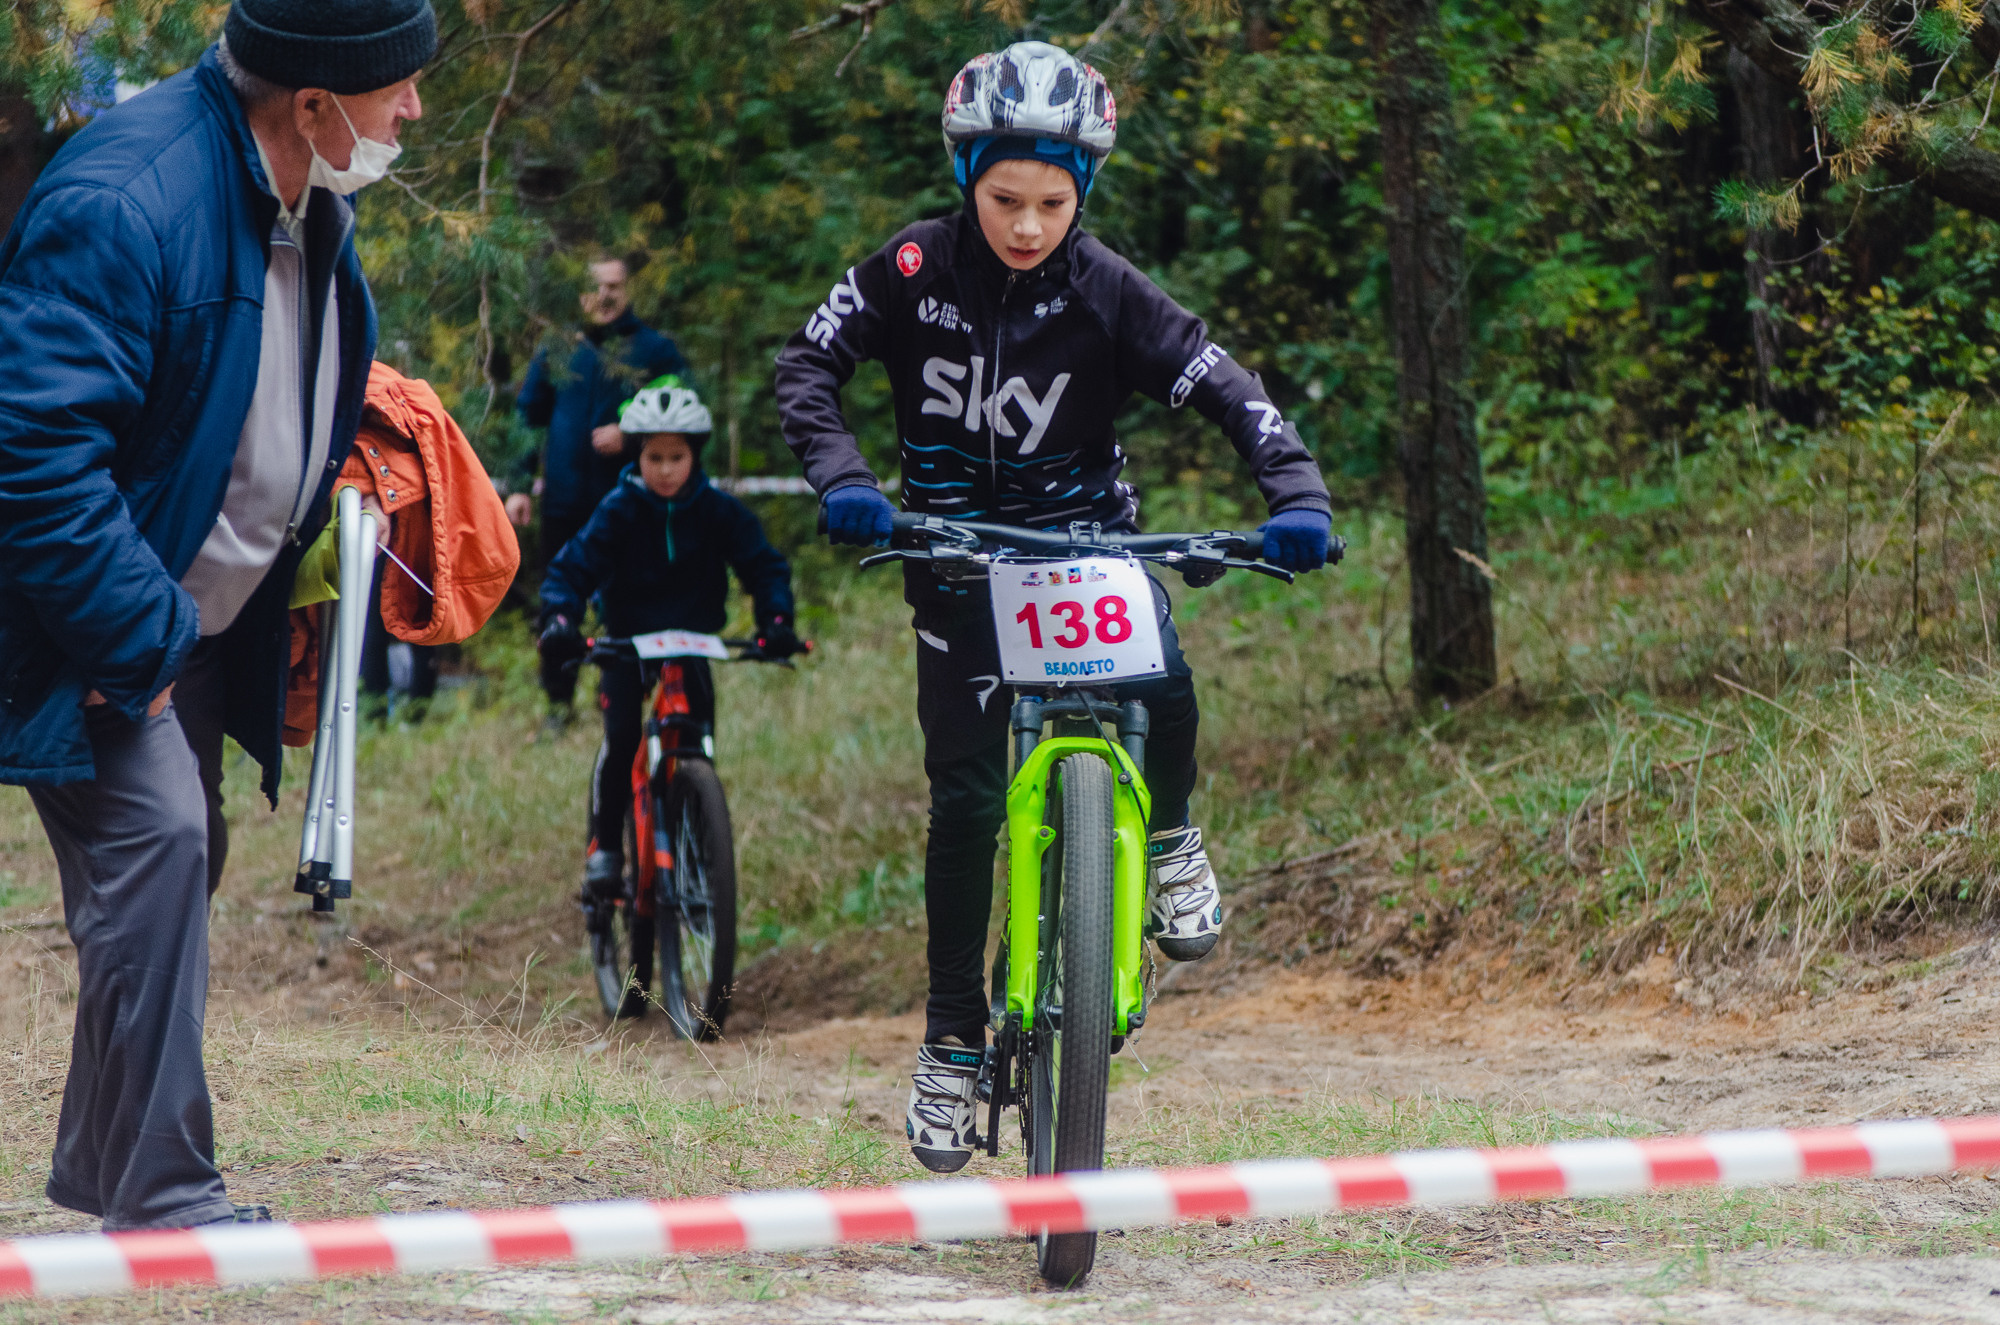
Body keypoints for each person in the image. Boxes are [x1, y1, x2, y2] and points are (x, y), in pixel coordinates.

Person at [774, 41, 1335, 1173]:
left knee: (1164, 684)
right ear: (965, 178)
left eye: (1052, 202)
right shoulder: (910, 268)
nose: (1026, 225)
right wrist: (842, 478)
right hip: (949, 555)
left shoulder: (1107, 287)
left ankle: (1169, 835)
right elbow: (805, 367)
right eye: (1003, 199)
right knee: (968, 802)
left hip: (1083, 545)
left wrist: (1296, 493)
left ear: (1083, 196)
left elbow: (1227, 387)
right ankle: (947, 1039)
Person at [0, 0, 431, 1228]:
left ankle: (106, 1166)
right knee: (160, 845)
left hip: (184, 616)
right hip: (92, 619)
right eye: (396, 87)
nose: (411, 111)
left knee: (181, 864)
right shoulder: (125, 201)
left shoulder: (296, 195)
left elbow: (233, 386)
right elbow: (32, 460)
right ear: (311, 103)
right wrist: (133, 641)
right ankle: (164, 1196)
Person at [535, 380, 803, 1005]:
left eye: (675, 458)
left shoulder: (718, 510)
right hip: (626, 645)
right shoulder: (620, 509)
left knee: (697, 749)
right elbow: (573, 569)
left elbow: (764, 565)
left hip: (692, 646)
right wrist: (560, 618)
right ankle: (605, 853)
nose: (664, 470)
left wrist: (778, 623)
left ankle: (695, 842)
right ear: (636, 457)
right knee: (622, 738)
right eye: (652, 458)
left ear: (695, 456)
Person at [511, 259, 689, 729]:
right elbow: (528, 416)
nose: (605, 296)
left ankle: (623, 694)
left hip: (629, 502)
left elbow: (684, 416)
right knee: (559, 602)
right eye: (595, 287)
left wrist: (630, 434)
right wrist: (517, 485)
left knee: (627, 601)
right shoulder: (559, 348)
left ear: (627, 289)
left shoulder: (654, 350)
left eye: (614, 286)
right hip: (564, 502)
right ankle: (557, 705)